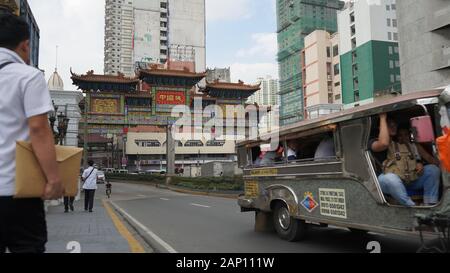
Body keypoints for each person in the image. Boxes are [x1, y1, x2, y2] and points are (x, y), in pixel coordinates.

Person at [0, 13, 64, 253]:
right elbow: (38, 129)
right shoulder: (28, 76)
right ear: (25, 45)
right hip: (17, 191)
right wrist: (54, 178)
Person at [369, 114, 441, 206]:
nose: (393, 126)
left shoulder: (404, 145)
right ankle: (413, 207)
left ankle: (430, 204)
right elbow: (384, 143)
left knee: (433, 170)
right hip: (387, 182)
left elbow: (428, 159)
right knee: (390, 179)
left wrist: (420, 163)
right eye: (389, 124)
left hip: (409, 178)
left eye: (394, 124)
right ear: (381, 127)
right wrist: (383, 118)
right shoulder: (374, 142)